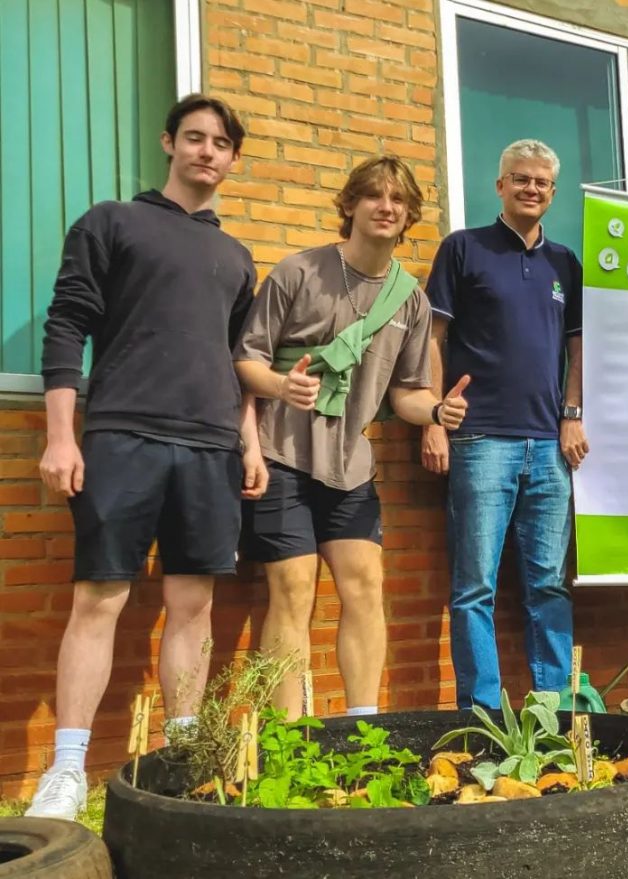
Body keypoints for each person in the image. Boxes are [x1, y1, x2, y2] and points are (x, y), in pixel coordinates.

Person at [27, 95, 265, 820]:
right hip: (122, 434)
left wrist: (248, 438)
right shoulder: (112, 222)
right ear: (169, 143)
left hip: (209, 448)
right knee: (99, 599)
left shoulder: (235, 255)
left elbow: (235, 358)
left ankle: (186, 758)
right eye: (194, 138)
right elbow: (67, 325)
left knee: (194, 605)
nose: (207, 152)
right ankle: (66, 770)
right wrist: (61, 433)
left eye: (221, 143)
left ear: (231, 159)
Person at [234, 156, 468, 720]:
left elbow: (406, 393)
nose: (386, 207)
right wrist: (281, 387)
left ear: (409, 214)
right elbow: (246, 361)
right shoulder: (299, 272)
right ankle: (286, 742)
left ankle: (363, 728)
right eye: (374, 196)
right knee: (293, 591)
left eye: (398, 200)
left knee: (364, 586)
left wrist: (437, 409)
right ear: (351, 205)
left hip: (352, 467)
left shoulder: (409, 298)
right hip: (281, 454)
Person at [422, 139, 585, 709]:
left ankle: (556, 712)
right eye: (520, 179)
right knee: (475, 588)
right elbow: (434, 338)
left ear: (553, 191)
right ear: (500, 185)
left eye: (541, 181)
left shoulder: (566, 264)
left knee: (548, 585)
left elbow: (577, 346)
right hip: (481, 439)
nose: (531, 189)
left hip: (548, 446)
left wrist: (572, 416)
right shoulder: (463, 249)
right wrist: (435, 418)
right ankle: (483, 716)